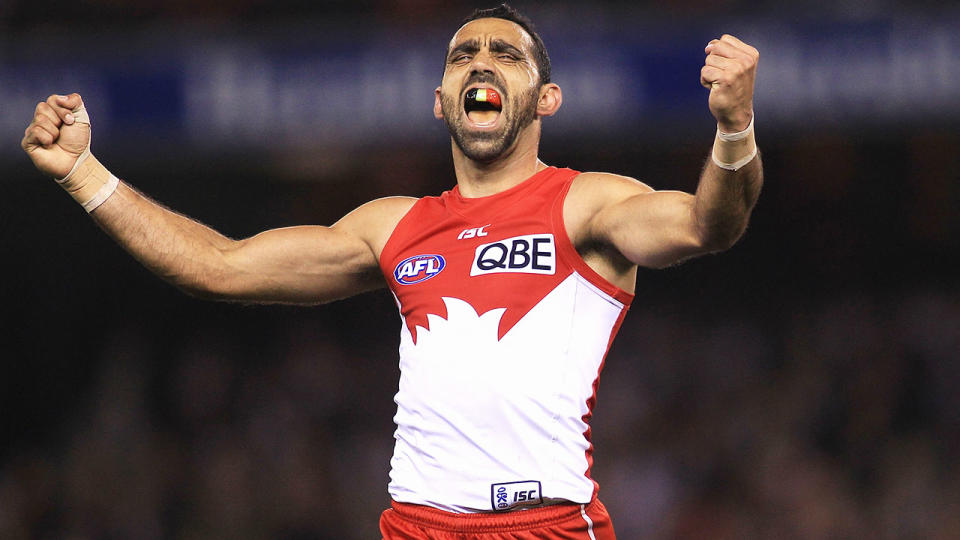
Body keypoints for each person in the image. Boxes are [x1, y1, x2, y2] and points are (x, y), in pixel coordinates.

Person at [21, 4, 762, 539]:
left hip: (545, 525)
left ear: (547, 98)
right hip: (414, 526)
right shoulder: (394, 225)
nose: (480, 61)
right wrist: (84, 175)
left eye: (506, 55)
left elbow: (708, 225)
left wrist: (734, 130)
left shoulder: (587, 204)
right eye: (462, 53)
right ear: (440, 101)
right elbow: (219, 266)